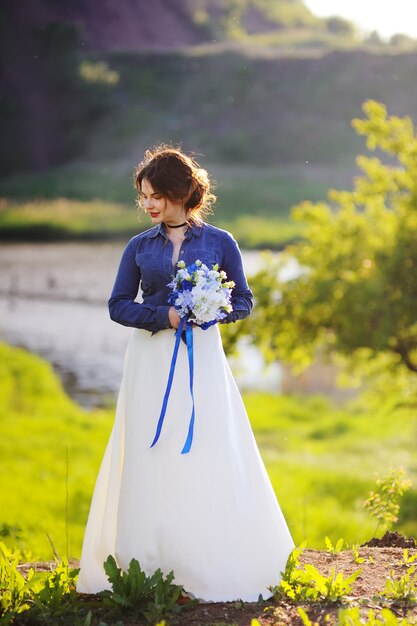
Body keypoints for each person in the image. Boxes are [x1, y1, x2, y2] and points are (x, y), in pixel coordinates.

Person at [76, 145, 294, 602]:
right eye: (143, 196)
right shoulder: (138, 247)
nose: (149, 204)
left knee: (206, 449)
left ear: (180, 192)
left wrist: (211, 311)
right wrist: (164, 318)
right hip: (150, 361)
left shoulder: (221, 242)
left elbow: (244, 301)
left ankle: (208, 559)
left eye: (155, 194)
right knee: (151, 452)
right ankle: (150, 563)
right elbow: (118, 305)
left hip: (203, 360)